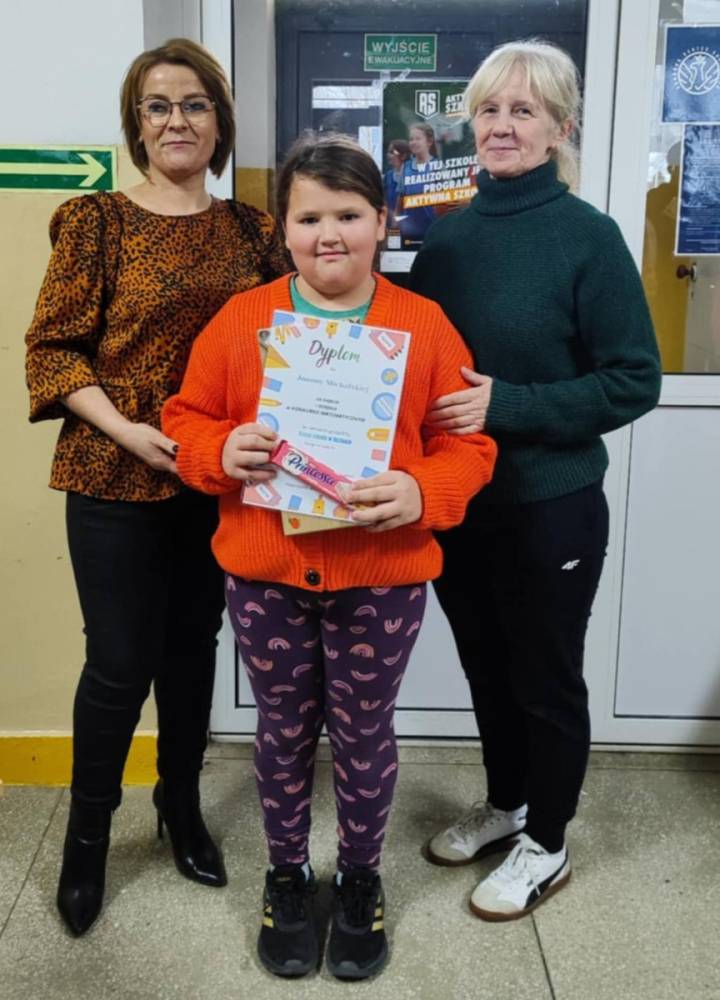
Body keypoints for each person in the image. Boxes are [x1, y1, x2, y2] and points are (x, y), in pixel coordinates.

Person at [162, 132, 497, 979]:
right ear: (283, 229)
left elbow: (466, 444)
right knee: (281, 731)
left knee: (363, 732)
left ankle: (357, 878)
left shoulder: (423, 325)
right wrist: (219, 451)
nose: (328, 235)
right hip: (266, 572)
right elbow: (186, 418)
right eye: (308, 218)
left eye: (347, 214)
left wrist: (424, 490)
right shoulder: (243, 321)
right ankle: (286, 874)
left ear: (381, 221)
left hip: (380, 579)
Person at [25, 37, 289, 936]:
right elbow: (53, 349)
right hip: (113, 470)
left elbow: (289, 343)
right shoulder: (95, 221)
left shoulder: (254, 231)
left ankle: (179, 806)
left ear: (220, 122)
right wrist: (129, 431)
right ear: (137, 125)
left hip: (215, 478)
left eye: (195, 104)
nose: (177, 120)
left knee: (191, 650)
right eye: (158, 106)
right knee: (117, 661)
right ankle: (87, 838)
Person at [409, 40, 661, 921]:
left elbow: (633, 379)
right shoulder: (448, 238)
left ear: (561, 127)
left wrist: (508, 404)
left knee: (545, 679)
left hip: (552, 505)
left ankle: (547, 843)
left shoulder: (588, 237)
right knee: (486, 667)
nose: (503, 126)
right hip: (461, 501)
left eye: (524, 110)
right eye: (489, 109)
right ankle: (508, 803)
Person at [397, 124, 439, 247]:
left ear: (429, 142)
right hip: (409, 232)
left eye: (418, 138)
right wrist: (396, 223)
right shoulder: (406, 167)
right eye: (411, 139)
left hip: (432, 231)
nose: (413, 142)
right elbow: (400, 198)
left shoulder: (438, 166)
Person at [383, 138, 410, 223]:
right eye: (388, 152)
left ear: (403, 156)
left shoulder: (411, 175)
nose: (388, 155)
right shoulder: (388, 176)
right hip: (392, 223)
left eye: (392, 152)